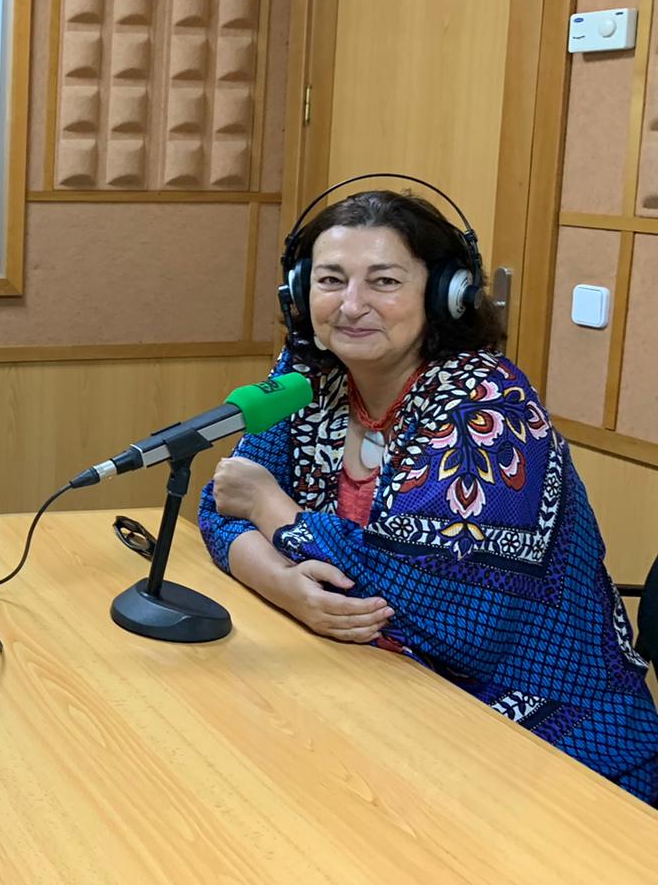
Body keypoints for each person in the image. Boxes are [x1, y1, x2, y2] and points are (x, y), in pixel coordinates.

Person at [199, 188, 658, 803]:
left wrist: (271, 509)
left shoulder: (488, 409)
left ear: (445, 294)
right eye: (330, 280)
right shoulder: (309, 375)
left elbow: (415, 600)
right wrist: (286, 586)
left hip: (550, 738)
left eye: (384, 281)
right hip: (381, 700)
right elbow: (221, 504)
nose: (351, 305)